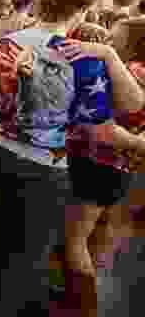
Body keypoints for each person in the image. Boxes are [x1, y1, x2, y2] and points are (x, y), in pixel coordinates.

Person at [0, 0, 145, 317]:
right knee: (29, 253)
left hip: (0, 151)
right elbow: (113, 121)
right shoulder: (85, 58)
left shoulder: (6, 42)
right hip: (44, 165)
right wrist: (107, 57)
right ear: (81, 10)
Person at [60, 20, 145, 315]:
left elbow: (103, 127)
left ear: (133, 42)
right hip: (117, 167)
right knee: (83, 234)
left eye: (116, 36)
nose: (108, 37)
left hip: (99, 163)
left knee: (74, 240)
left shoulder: (130, 72)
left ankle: (82, 304)